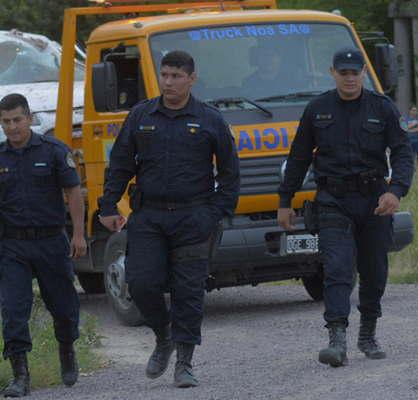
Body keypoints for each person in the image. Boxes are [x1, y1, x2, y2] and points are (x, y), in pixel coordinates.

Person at [98, 50, 240, 388]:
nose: (169, 82)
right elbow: (120, 164)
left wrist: (215, 214)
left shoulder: (210, 119)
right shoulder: (141, 115)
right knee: (142, 283)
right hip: (149, 217)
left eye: (176, 76)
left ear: (192, 79)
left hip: (194, 217)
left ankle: (185, 362)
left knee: (188, 291)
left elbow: (231, 174)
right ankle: (164, 336)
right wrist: (107, 206)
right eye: (165, 75)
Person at [277, 47, 414, 367]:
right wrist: (285, 202)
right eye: (344, 72)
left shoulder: (382, 108)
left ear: (364, 74)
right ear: (333, 72)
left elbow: (403, 153)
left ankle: (368, 332)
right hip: (333, 201)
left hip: (374, 201)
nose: (349, 78)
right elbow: (298, 157)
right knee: (337, 269)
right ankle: (336, 339)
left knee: (374, 270)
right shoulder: (317, 109)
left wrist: (396, 191)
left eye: (355, 72)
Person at [0, 93, 86, 397]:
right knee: (13, 309)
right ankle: (20, 375)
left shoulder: (52, 150)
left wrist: (78, 234)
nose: (12, 127)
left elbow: (74, 192)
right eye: (6, 121)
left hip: (51, 240)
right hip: (12, 245)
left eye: (17, 120)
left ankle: (66, 349)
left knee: (63, 306)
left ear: (30, 118)